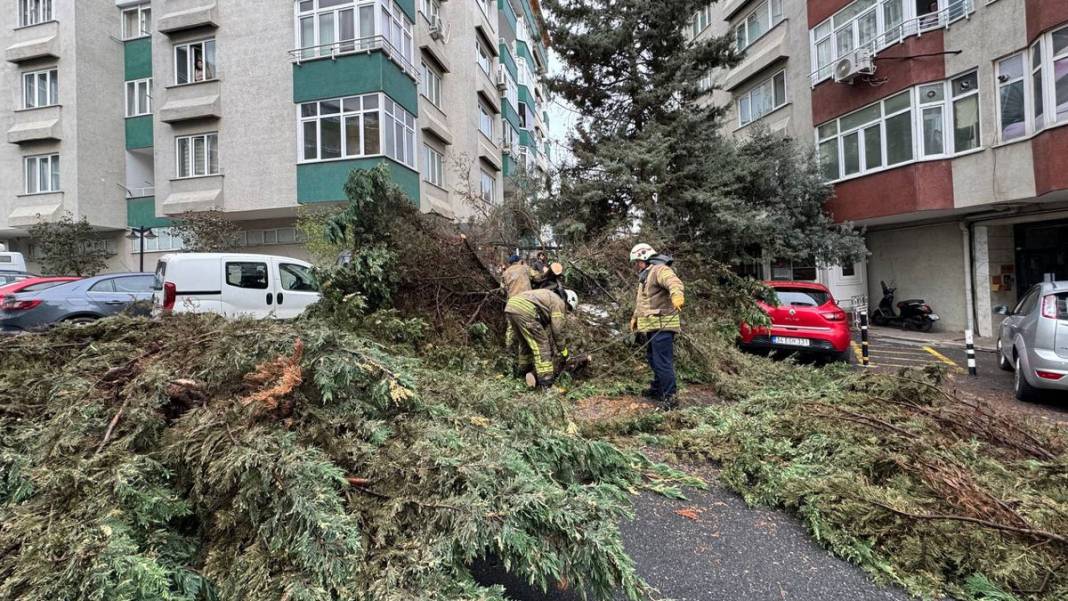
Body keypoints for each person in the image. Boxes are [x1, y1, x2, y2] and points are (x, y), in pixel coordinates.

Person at [628, 243, 685, 409]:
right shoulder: (646, 275)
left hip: (663, 326)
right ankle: (658, 389)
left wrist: (677, 295)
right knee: (653, 359)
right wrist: (635, 318)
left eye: (638, 261)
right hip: (653, 327)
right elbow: (643, 303)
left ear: (646, 257)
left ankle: (670, 397)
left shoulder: (659, 269)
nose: (636, 265)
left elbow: (673, 282)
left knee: (662, 362)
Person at [505, 287, 579, 389]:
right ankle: (546, 383)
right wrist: (564, 352)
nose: (567, 312)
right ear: (568, 301)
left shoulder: (549, 295)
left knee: (525, 344)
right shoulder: (559, 303)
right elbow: (557, 331)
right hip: (526, 310)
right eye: (568, 309)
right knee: (542, 346)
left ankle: (523, 372)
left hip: (512, 306)